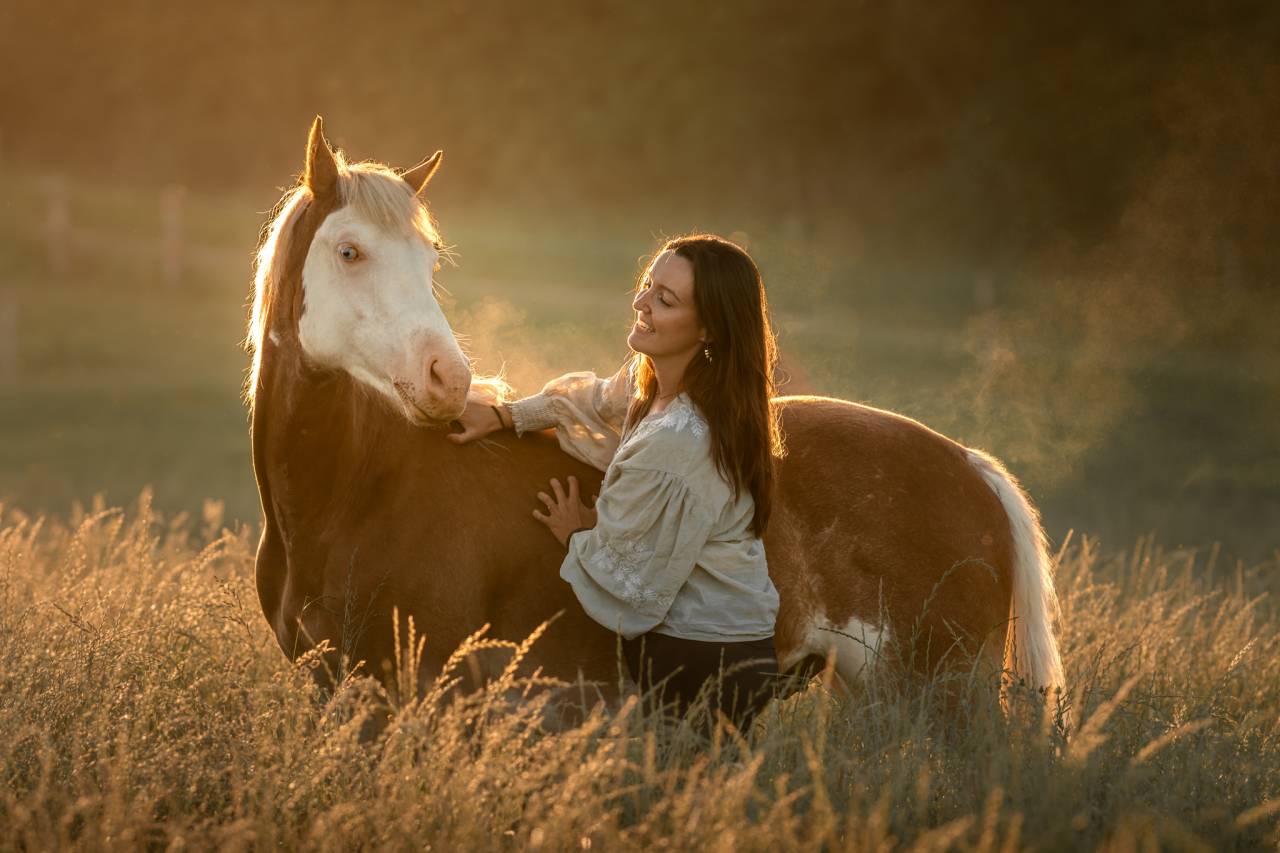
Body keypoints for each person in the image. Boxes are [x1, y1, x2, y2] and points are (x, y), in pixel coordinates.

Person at [449, 234, 785, 729]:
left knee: (679, 793)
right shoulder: (651, 383)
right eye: (649, 286)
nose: (640, 303)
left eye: (664, 301)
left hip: (707, 655)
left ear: (709, 330)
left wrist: (578, 533)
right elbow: (593, 401)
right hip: (708, 645)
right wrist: (505, 417)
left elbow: (633, 584)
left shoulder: (681, 439)